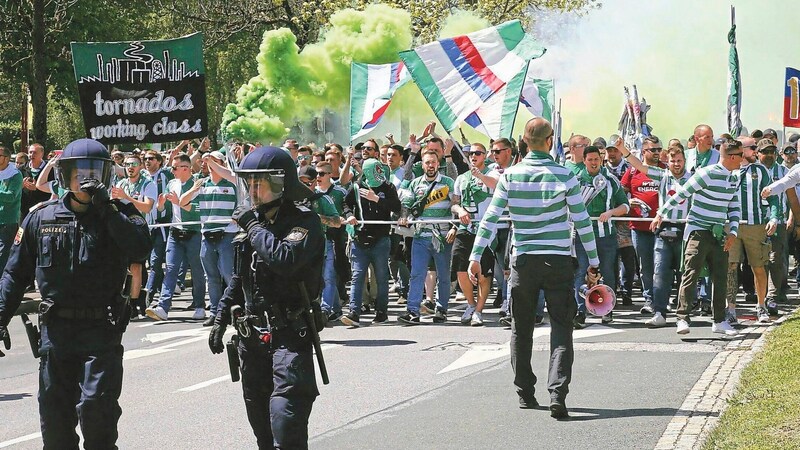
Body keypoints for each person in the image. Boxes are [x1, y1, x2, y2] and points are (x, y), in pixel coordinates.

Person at [0, 138, 151, 448]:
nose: (86, 180)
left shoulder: (120, 214)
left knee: (97, 415)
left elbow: (139, 248)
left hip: (101, 330)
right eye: (79, 174)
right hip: (56, 333)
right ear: (65, 176)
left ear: (106, 176)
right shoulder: (41, 217)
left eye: (93, 174)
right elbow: (15, 274)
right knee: (55, 427)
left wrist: (106, 211)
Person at [468, 117, 599, 419]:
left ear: (524, 142)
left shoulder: (510, 176)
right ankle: (558, 394)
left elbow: (490, 220)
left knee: (521, 328)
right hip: (558, 260)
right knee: (562, 330)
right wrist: (594, 262)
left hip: (524, 261)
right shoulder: (565, 175)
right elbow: (582, 222)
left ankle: (525, 391)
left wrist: (476, 255)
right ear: (551, 141)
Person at [207, 146, 323, 449]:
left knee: (285, 421)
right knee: (261, 427)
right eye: (250, 182)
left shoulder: (304, 222)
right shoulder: (252, 226)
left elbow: (284, 258)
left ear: (280, 184)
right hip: (252, 338)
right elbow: (238, 278)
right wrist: (220, 319)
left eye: (261, 182)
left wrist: (253, 226)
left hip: (289, 335)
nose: (254, 190)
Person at [652, 138, 743, 336]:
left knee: (720, 277)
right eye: (741, 155)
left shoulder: (734, 178)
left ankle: (719, 320)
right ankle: (682, 318)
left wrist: (733, 232)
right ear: (732, 156)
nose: (743, 159)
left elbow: (735, 206)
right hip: (697, 230)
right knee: (691, 274)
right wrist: (661, 213)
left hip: (718, 233)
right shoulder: (706, 174)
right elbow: (681, 193)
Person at [624, 144, 692, 327]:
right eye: (672, 161)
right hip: (663, 229)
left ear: (685, 161)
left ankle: (683, 315)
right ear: (667, 162)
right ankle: (660, 312)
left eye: (679, 160)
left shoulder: (692, 178)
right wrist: (623, 149)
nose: (676, 164)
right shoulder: (662, 175)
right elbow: (639, 166)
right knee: (660, 272)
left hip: (685, 229)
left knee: (684, 274)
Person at [572, 145, 630, 326]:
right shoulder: (576, 180)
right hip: (582, 235)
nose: (594, 162)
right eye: (590, 160)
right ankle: (580, 311)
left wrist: (612, 212)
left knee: (607, 272)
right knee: (581, 272)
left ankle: (607, 310)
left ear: (601, 159)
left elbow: (625, 206)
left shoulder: (611, 180)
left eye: (596, 159)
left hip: (606, 236)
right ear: (584, 161)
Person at [179, 151, 238, 326]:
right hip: (207, 235)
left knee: (228, 274)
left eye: (214, 161)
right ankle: (215, 312)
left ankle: (235, 309)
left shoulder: (233, 183)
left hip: (227, 234)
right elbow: (182, 202)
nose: (209, 164)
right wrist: (193, 189)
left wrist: (211, 161)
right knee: (211, 277)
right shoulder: (202, 183)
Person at [397, 149, 456, 324]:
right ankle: (413, 311)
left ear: (438, 164)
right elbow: (406, 204)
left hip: (443, 236)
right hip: (421, 235)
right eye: (427, 162)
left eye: (433, 162)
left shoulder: (448, 182)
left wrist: (454, 227)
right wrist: (404, 216)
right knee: (416, 274)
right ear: (422, 165)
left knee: (444, 275)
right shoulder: (415, 184)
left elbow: (456, 206)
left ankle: (441, 309)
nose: (430, 166)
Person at [145, 153, 207, 321]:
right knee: (170, 268)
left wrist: (179, 202)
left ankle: (200, 305)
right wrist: (161, 204)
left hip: (193, 232)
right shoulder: (172, 183)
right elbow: (162, 206)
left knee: (197, 270)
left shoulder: (199, 184)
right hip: (175, 232)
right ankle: (163, 307)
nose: (171, 171)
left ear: (185, 168)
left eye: (174, 167)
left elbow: (198, 210)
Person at [340, 158, 401, 326]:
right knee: (357, 276)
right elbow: (344, 203)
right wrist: (349, 216)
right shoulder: (356, 186)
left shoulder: (388, 187)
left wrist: (378, 200)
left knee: (382, 277)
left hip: (381, 238)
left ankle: (381, 311)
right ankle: (354, 312)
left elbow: (397, 207)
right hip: (359, 238)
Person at [450, 144, 495, 326]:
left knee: (483, 272)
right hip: (465, 229)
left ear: (485, 155)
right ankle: (470, 304)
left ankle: (479, 310)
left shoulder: (493, 173)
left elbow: (496, 188)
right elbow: (453, 203)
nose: (473, 156)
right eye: (470, 153)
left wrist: (481, 177)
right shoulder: (461, 178)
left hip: (486, 229)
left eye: (478, 153)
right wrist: (459, 210)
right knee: (460, 267)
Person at [621, 136, 664, 313]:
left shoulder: (665, 170)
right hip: (639, 227)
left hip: (662, 227)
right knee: (645, 266)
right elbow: (621, 194)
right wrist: (629, 202)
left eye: (659, 150)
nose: (657, 153)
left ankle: (662, 298)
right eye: (653, 150)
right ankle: (649, 300)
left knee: (661, 265)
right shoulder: (632, 171)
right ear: (643, 151)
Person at [0, 146, 22, 272]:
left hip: (7, 221)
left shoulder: (15, 175)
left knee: (3, 256)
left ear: (7, 158)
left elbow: (11, 196)